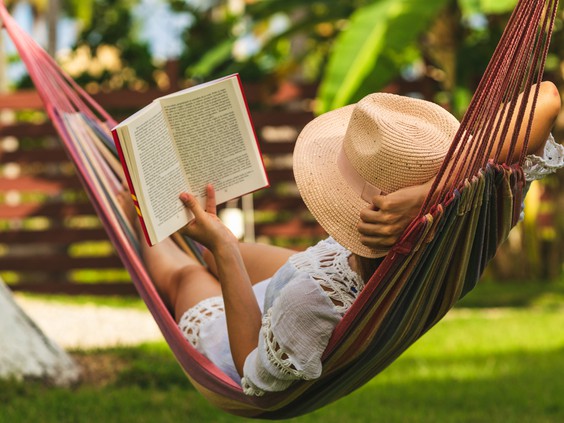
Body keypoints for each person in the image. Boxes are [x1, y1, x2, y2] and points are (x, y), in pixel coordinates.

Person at [119, 81, 563, 396]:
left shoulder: (309, 306)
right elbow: (547, 97)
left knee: (186, 275)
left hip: (255, 326)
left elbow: (251, 371)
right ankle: (201, 238)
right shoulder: (469, 217)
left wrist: (224, 249)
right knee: (208, 249)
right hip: (322, 268)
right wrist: (432, 192)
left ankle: (132, 212)